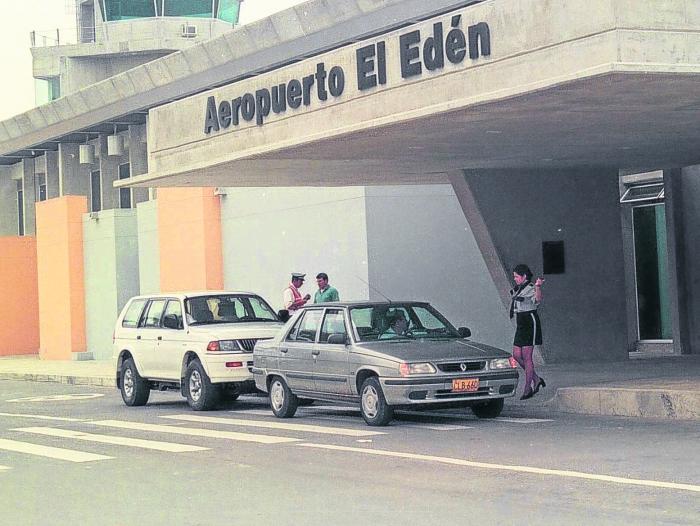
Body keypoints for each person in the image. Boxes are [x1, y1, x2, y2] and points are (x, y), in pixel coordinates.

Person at [509, 264, 546, 400]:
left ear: (524, 276)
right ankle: (536, 379)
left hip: (529, 320)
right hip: (520, 321)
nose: (515, 279)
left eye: (516, 277)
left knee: (527, 356)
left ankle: (527, 387)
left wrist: (538, 286)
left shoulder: (531, 288)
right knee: (516, 355)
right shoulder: (518, 289)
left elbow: (537, 299)